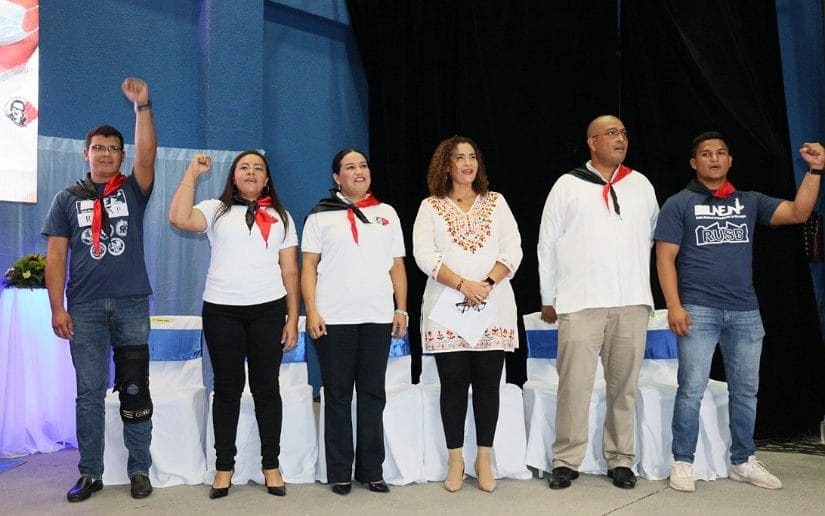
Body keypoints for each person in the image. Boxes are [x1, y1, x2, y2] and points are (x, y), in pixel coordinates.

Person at [655, 132, 825, 492]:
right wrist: (674, 305)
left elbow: (798, 213)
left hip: (745, 311)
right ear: (694, 163)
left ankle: (743, 460)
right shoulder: (679, 203)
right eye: (706, 154)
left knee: (746, 391)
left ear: (730, 160)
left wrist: (815, 171)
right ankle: (683, 461)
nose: (714, 158)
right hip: (698, 309)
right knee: (691, 389)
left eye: (721, 153)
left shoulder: (748, 201)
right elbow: (665, 257)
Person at [42, 78, 156, 502]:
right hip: (85, 308)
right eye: (98, 148)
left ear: (121, 156)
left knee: (134, 388)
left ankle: (139, 469)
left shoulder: (132, 189)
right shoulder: (66, 198)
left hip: (130, 304)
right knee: (88, 394)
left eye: (113, 148)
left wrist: (142, 107)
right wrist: (57, 308)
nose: (105, 154)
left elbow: (149, 155)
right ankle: (90, 472)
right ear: (85, 153)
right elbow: (56, 256)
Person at [168, 151, 300, 499]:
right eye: (244, 167)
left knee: (266, 388)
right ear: (234, 176)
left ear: (267, 179)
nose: (251, 172)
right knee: (227, 389)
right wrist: (192, 173)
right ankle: (224, 466)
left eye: (258, 168)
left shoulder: (282, 217)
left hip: (268, 311)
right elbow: (179, 217)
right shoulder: (215, 209)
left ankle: (271, 465)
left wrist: (292, 318)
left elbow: (290, 271)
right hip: (222, 311)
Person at [537, 115, 659, 490]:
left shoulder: (640, 185)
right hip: (580, 300)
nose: (620, 139)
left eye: (623, 133)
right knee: (574, 385)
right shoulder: (567, 185)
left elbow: (652, 237)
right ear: (592, 142)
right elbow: (547, 243)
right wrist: (548, 298)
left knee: (624, 386)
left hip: (631, 301)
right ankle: (566, 460)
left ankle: (620, 459)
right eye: (611, 133)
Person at [413, 135, 523, 493]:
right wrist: (463, 285)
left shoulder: (496, 202)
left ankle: (484, 459)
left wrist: (485, 284)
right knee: (454, 385)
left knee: (489, 385)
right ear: (446, 165)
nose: (467, 163)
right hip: (448, 308)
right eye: (459, 157)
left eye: (472, 156)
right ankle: (456, 459)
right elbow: (424, 256)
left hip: (493, 304)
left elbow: (513, 249)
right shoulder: (431, 207)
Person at [301, 148, 408, 496]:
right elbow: (308, 267)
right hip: (333, 319)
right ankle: (339, 471)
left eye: (363, 165)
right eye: (350, 167)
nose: (359, 171)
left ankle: (371, 469)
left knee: (373, 393)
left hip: (377, 317)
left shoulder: (387, 213)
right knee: (337, 395)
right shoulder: (319, 216)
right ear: (337, 177)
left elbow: (397, 266)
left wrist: (401, 309)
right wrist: (312, 311)